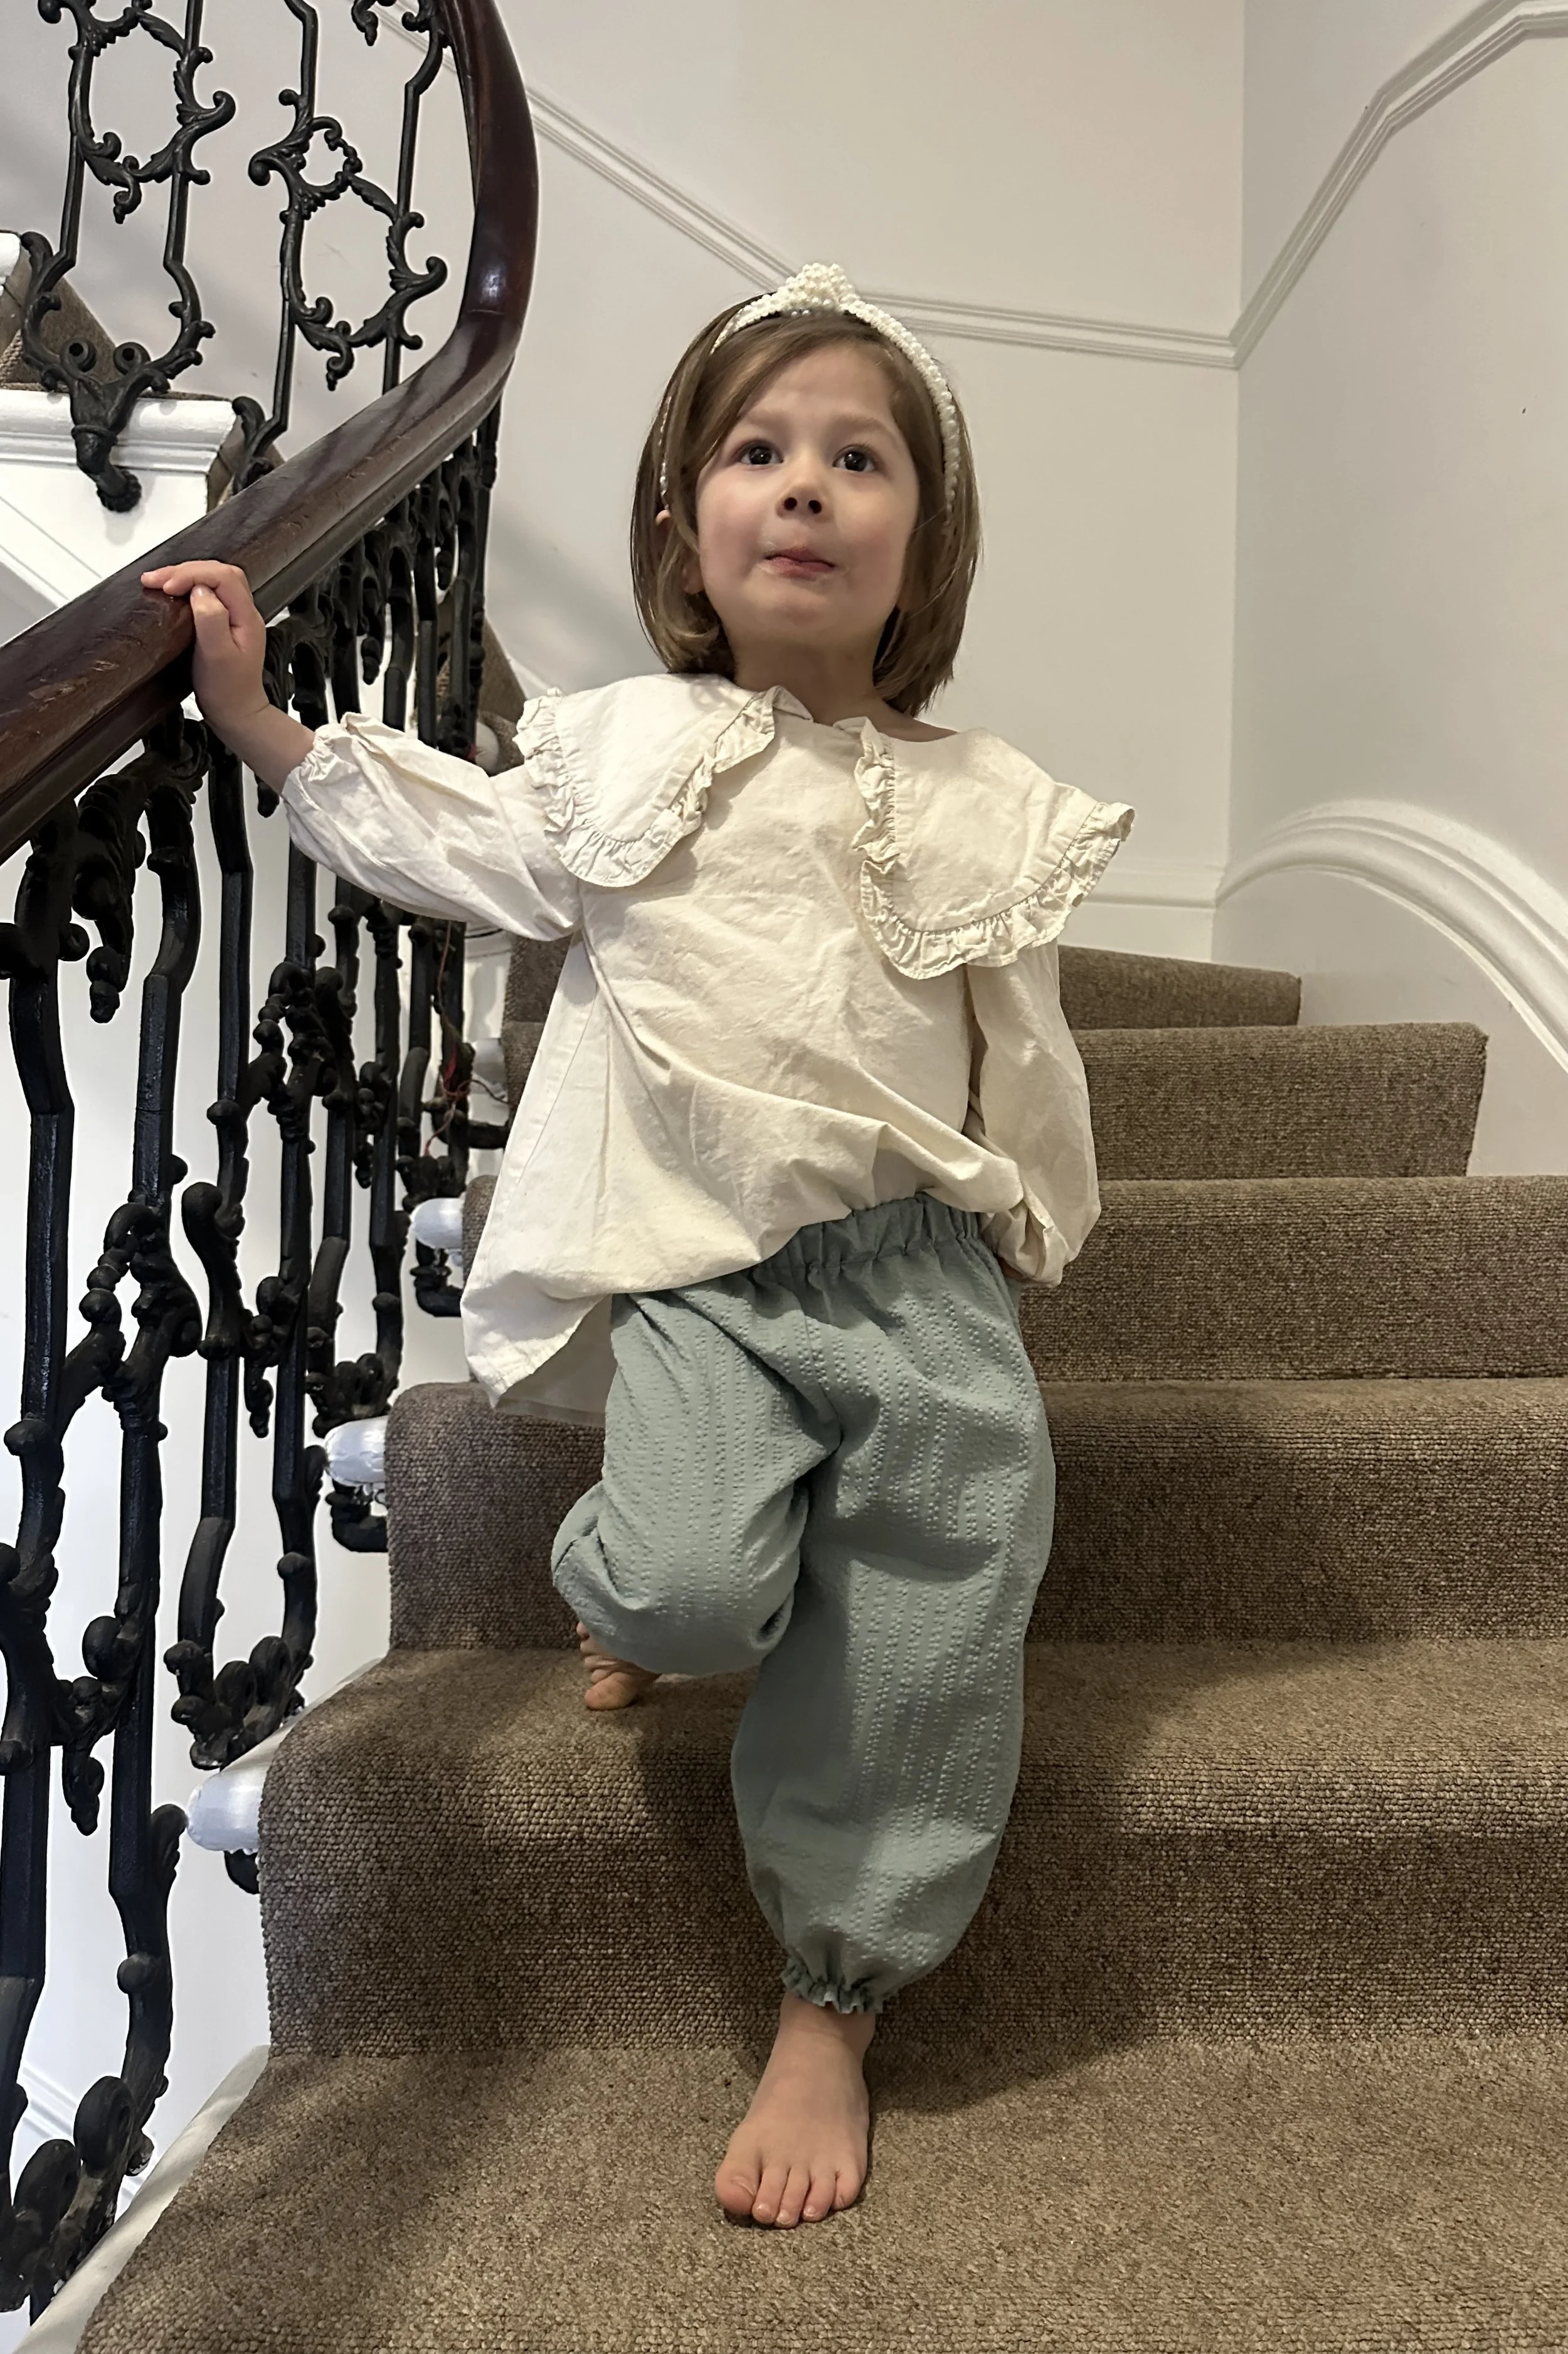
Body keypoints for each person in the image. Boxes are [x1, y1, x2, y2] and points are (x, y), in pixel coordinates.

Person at [142, 258, 1135, 2237]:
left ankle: (828, 1994)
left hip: (911, 1279)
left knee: (949, 1587)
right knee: (688, 1591)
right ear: (683, 528)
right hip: (700, 1273)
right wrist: (266, 728)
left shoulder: (976, 803)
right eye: (755, 453)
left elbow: (1017, 1038)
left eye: (857, 460)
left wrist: (1035, 1208)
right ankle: (630, 1607)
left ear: (915, 543)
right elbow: (445, 843)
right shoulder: (621, 755)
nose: (802, 488)